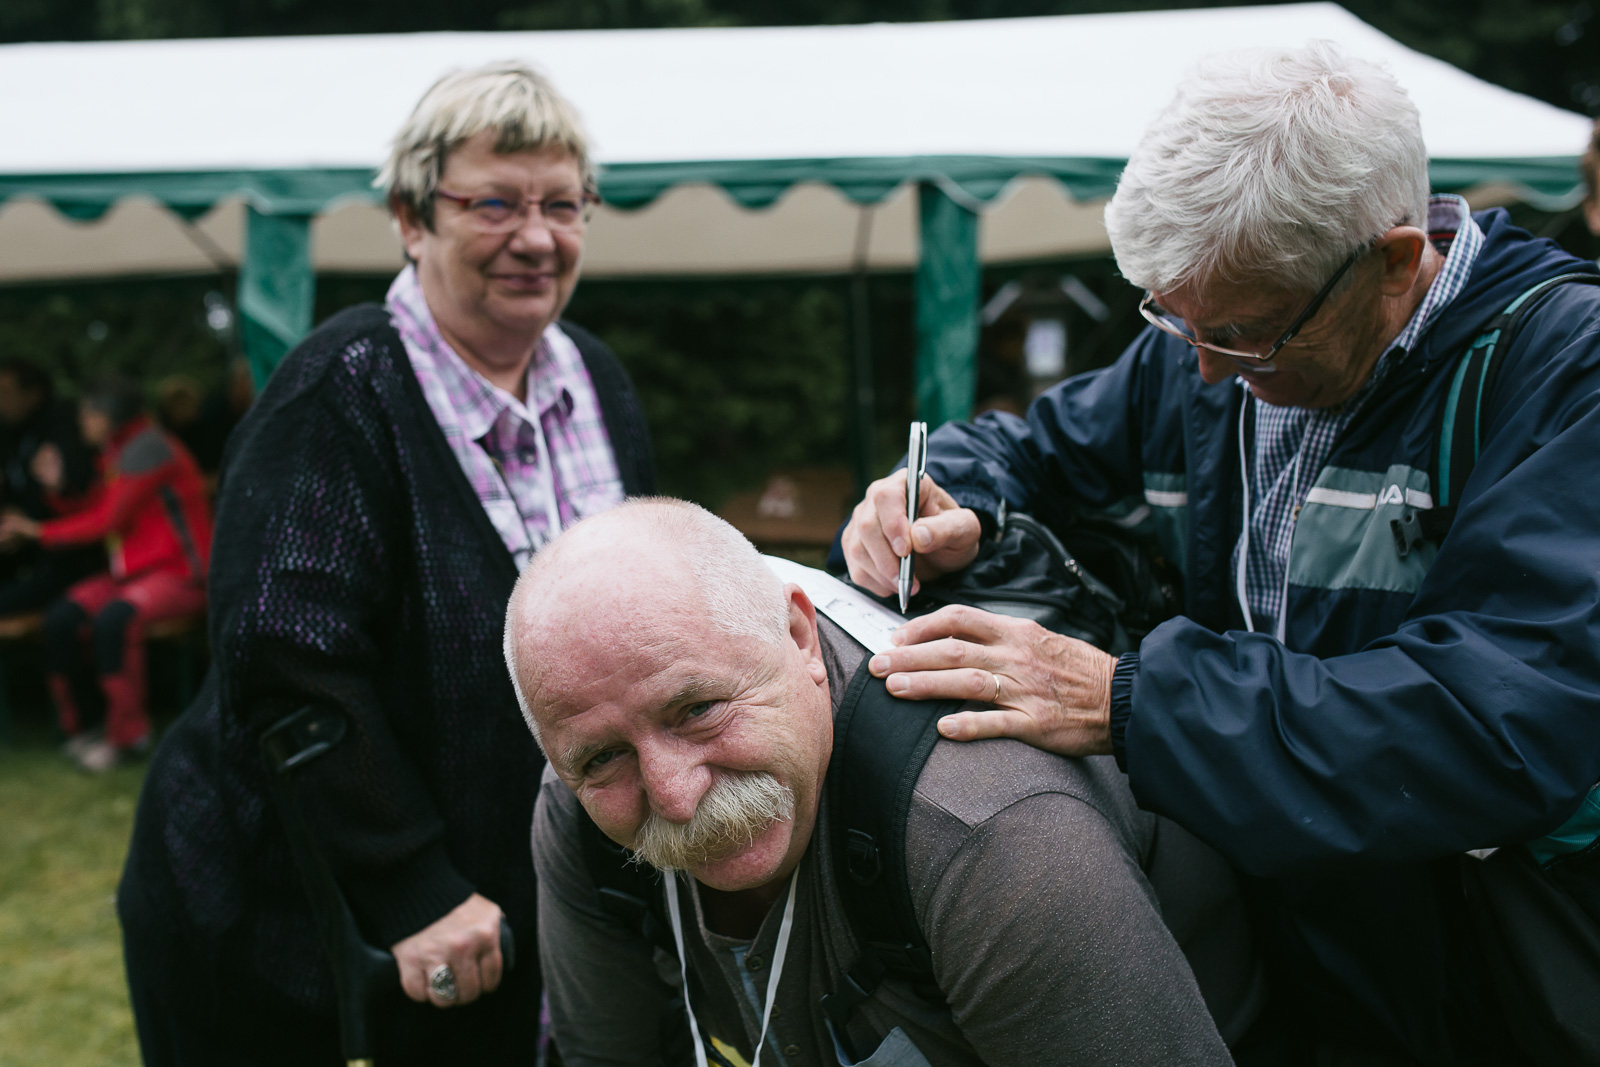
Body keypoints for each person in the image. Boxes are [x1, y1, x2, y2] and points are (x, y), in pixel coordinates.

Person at [840, 42, 1600, 1064]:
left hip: (1480, 992)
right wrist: (944, 499)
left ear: (1392, 260)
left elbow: (1495, 721)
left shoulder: (1564, 370)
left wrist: (1132, 701)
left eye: (1244, 332)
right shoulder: (1218, 345)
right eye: (1172, 318)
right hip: (1291, 973)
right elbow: (1026, 448)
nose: (1202, 368)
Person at [117, 62, 655, 1064]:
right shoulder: (341, 390)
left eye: (560, 204)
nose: (536, 237)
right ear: (411, 218)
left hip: (512, 901)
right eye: (493, 203)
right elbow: (286, 669)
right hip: (284, 922)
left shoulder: (597, 379)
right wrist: (411, 882)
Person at [509, 498, 1260, 1066]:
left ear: (799, 636)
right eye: (602, 759)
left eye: (698, 709)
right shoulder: (579, 807)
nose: (675, 796)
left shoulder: (992, 836)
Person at [0, 373, 210, 772]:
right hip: (132, 574)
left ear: (106, 415)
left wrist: (37, 531)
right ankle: (83, 727)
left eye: (85, 413)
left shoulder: (147, 448)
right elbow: (97, 509)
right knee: (62, 618)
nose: (80, 421)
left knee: (116, 619)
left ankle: (127, 737)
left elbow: (105, 521)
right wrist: (58, 489)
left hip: (181, 574)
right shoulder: (119, 450)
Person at [0, 355, 101, 617]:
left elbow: (80, 500)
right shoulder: (10, 430)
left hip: (66, 550)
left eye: (6, 392)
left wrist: (29, 523)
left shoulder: (66, 427)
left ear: (34, 393)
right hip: (22, 536)